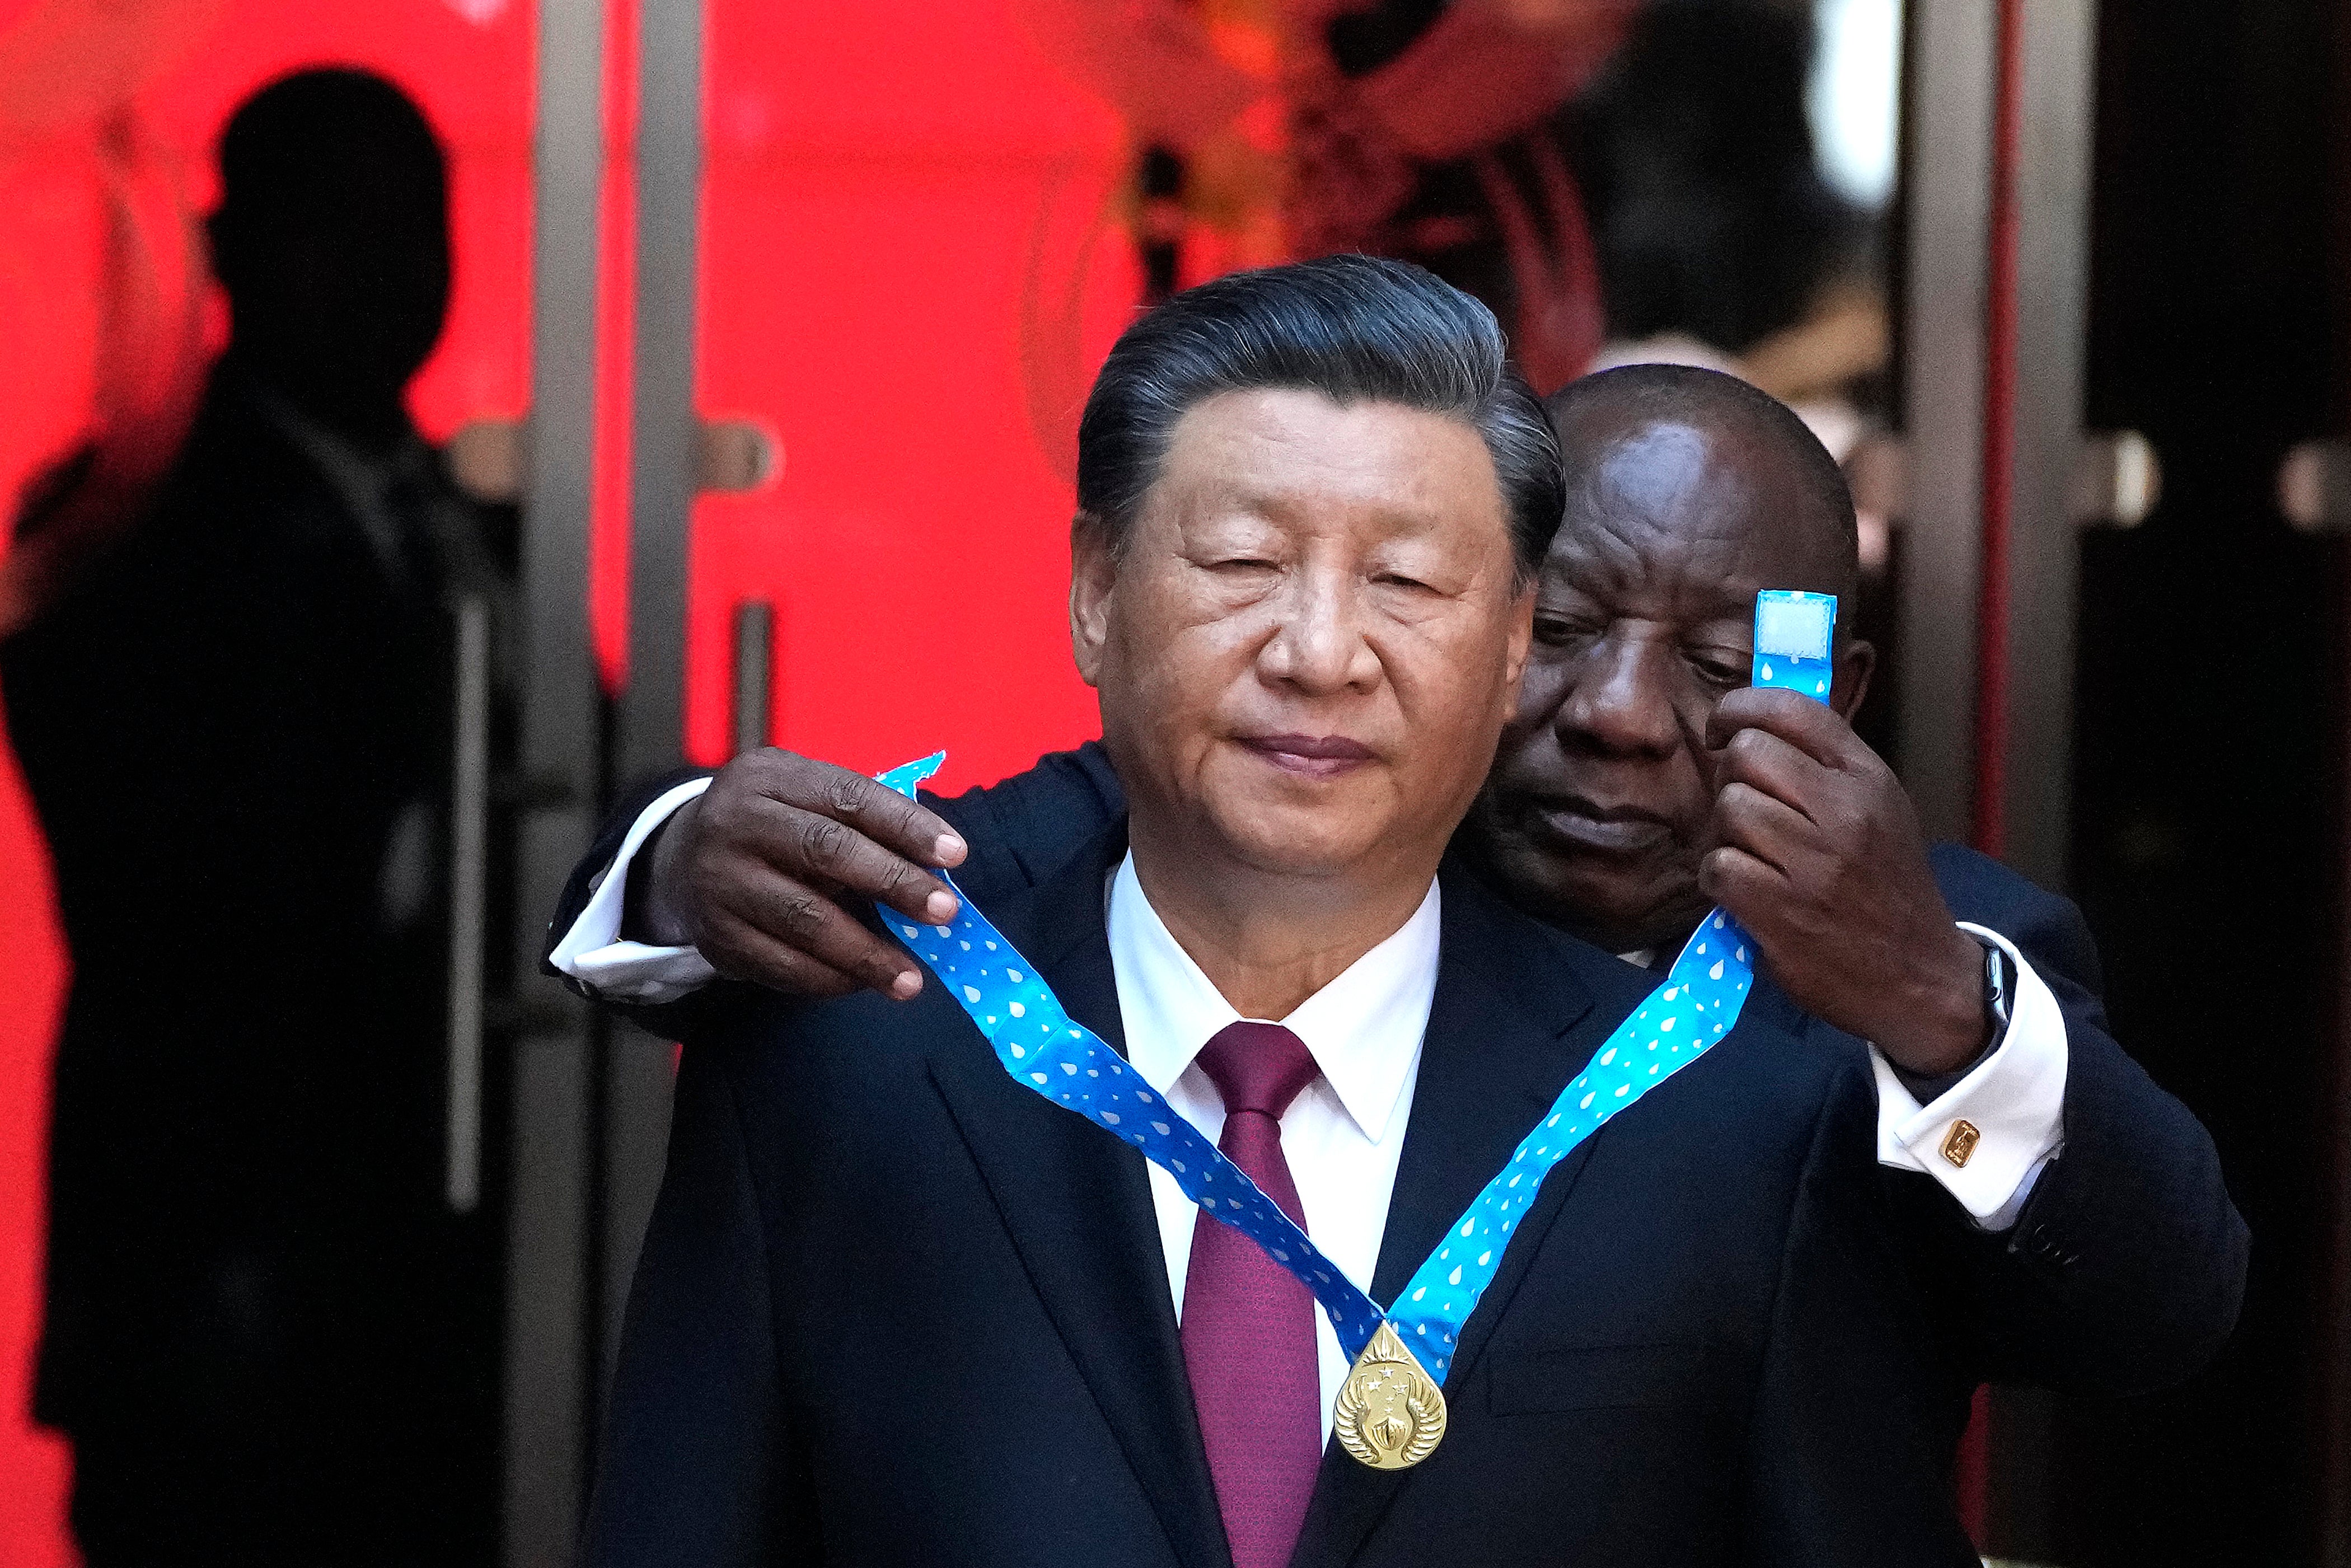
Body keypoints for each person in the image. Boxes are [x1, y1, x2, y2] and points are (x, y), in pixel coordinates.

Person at [574, 257, 1982, 1566]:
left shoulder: (1725, 1121)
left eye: (1408, 582)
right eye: (1244, 563)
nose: (1319, 655)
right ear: (1096, 593)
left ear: (1508, 646)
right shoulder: (842, 1062)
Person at [551, 362, 2245, 1412]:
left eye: (1722, 665)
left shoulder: (1945, 958)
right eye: (1562, 634)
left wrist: (1933, 1007)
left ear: (1837, 688)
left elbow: (2162, 1323)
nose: (1622, 717)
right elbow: (901, 874)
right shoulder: (1302, 818)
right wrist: (687, 857)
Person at [3, 69, 510, 1564]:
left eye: (416, 224)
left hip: (453, 1285)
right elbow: (177, 891)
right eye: (336, 223)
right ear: (232, 249)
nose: (388, 268)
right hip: (222, 1290)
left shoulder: (482, 525)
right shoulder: (118, 523)